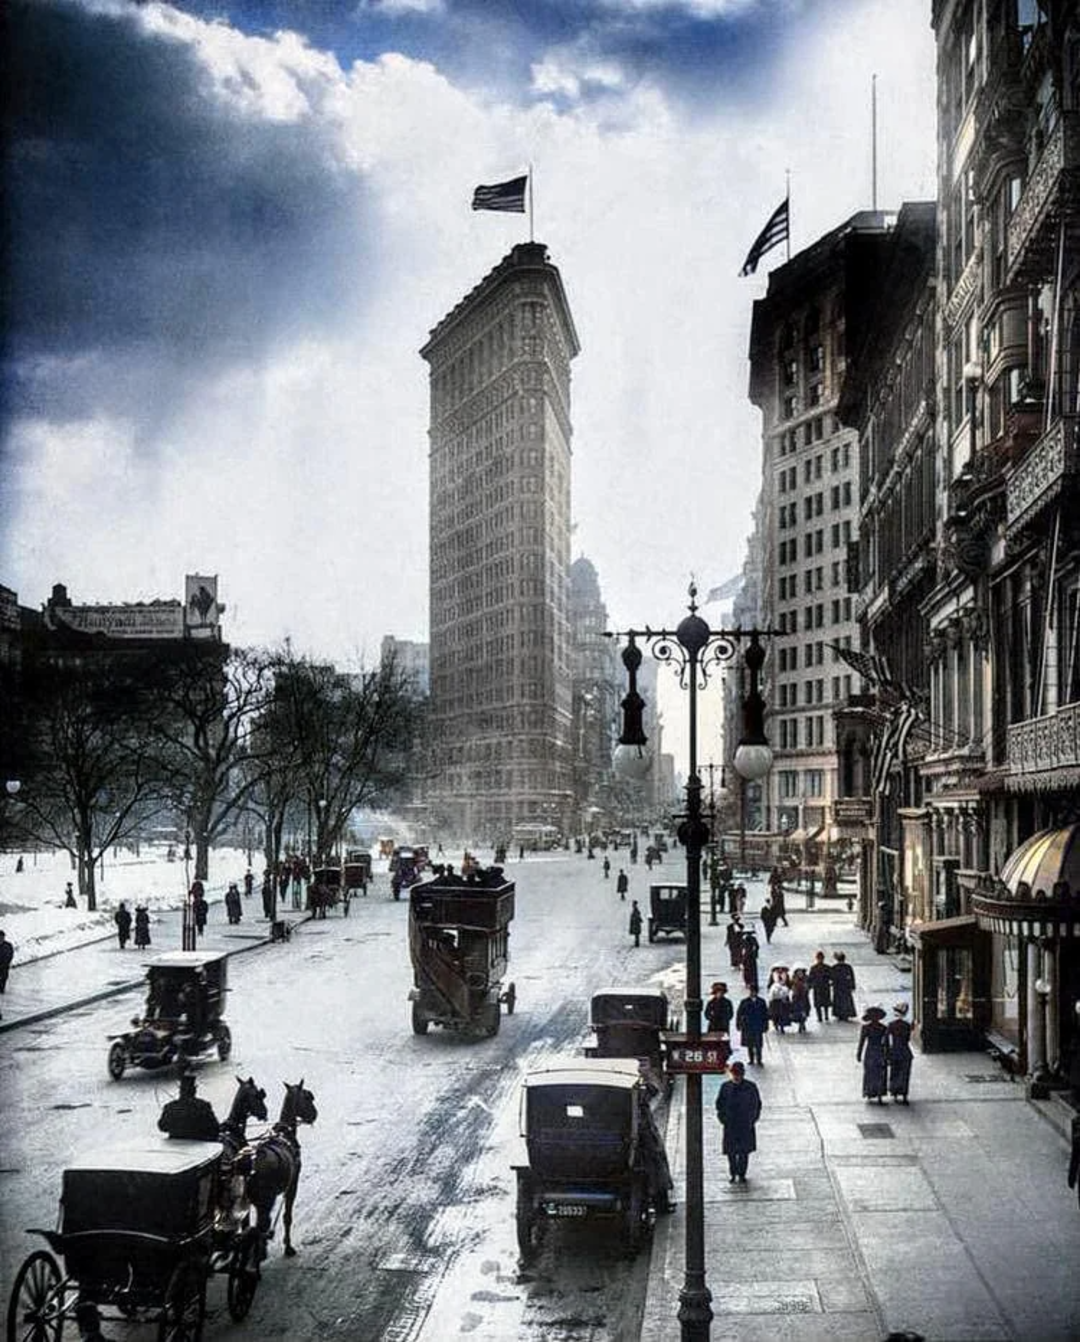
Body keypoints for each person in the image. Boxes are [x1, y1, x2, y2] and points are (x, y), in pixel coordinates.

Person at [715, 1060, 762, 1183]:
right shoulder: (725, 1087)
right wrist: (723, 1118)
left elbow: (756, 1104)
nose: (737, 1077)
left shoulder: (750, 1087)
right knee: (731, 1152)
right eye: (735, 1074)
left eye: (739, 1074)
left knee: (743, 1151)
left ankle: (741, 1173)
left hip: (745, 1124)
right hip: (730, 1124)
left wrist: (752, 1119)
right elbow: (719, 1104)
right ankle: (733, 1172)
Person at [158, 1070, 220, 1141]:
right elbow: (214, 1128)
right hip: (199, 1144)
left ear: (180, 1091)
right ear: (194, 1090)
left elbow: (162, 1127)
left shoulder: (170, 1107)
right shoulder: (203, 1106)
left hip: (175, 1144)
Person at [857, 1006, 889, 1103]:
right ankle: (880, 1093)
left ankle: (870, 1092)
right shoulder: (883, 1028)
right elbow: (886, 1043)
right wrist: (888, 1054)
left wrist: (859, 1053)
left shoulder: (866, 1028)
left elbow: (862, 1042)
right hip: (880, 1050)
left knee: (870, 1072)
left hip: (870, 1051)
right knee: (880, 1073)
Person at [735, 985, 769, 1066]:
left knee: (758, 1044)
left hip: (758, 1025)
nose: (752, 993)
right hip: (748, 1026)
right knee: (749, 1044)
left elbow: (765, 1015)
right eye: (751, 991)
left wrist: (765, 1026)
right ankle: (751, 1059)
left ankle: (759, 1059)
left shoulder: (762, 1002)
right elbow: (739, 1014)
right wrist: (738, 1024)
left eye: (754, 991)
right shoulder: (744, 1002)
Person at [886, 1002, 914, 1103]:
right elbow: (907, 1039)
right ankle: (904, 1093)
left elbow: (886, 1039)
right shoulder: (907, 1025)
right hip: (905, 1051)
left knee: (895, 1072)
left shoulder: (891, 1025)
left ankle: (895, 1092)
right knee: (905, 1073)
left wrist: (887, 1051)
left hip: (895, 1051)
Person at [831, 950, 857, 1020]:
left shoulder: (834, 967)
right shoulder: (848, 967)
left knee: (838, 1000)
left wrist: (832, 984)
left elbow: (832, 977)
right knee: (846, 1001)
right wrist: (852, 986)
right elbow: (852, 977)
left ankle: (839, 1013)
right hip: (846, 987)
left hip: (838, 987)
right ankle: (846, 1013)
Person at [808, 950, 832, 1022]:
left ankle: (823, 1016)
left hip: (820, 987)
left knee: (821, 1003)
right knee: (823, 1003)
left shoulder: (814, 968)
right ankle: (823, 1016)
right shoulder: (827, 967)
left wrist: (810, 985)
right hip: (822, 987)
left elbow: (810, 978)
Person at [766, 968, 791, 1034]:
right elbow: (769, 984)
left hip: (783, 997)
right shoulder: (773, 975)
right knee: (775, 1013)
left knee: (783, 1013)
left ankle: (782, 1026)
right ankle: (776, 1024)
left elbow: (789, 984)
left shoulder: (786, 975)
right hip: (775, 998)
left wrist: (785, 989)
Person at [789, 967, 810, 1033]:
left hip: (804, 998)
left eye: (801, 972)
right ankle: (801, 1024)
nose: (800, 974)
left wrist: (807, 987)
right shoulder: (794, 979)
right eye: (798, 972)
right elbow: (790, 986)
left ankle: (802, 1023)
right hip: (796, 998)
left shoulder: (806, 979)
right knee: (798, 1012)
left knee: (804, 1011)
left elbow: (810, 985)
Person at [740, 927, 760, 993]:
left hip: (747, 957)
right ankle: (752, 982)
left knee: (747, 971)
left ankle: (748, 982)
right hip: (752, 958)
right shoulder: (753, 939)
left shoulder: (744, 940)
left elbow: (743, 949)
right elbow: (757, 947)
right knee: (752, 971)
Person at [0, 929, 14, 994]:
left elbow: (11, 954)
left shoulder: (8, 945)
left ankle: (2, 990)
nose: (1, 938)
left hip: (5, 965)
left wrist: (8, 961)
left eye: (2, 937)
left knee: (4, 978)